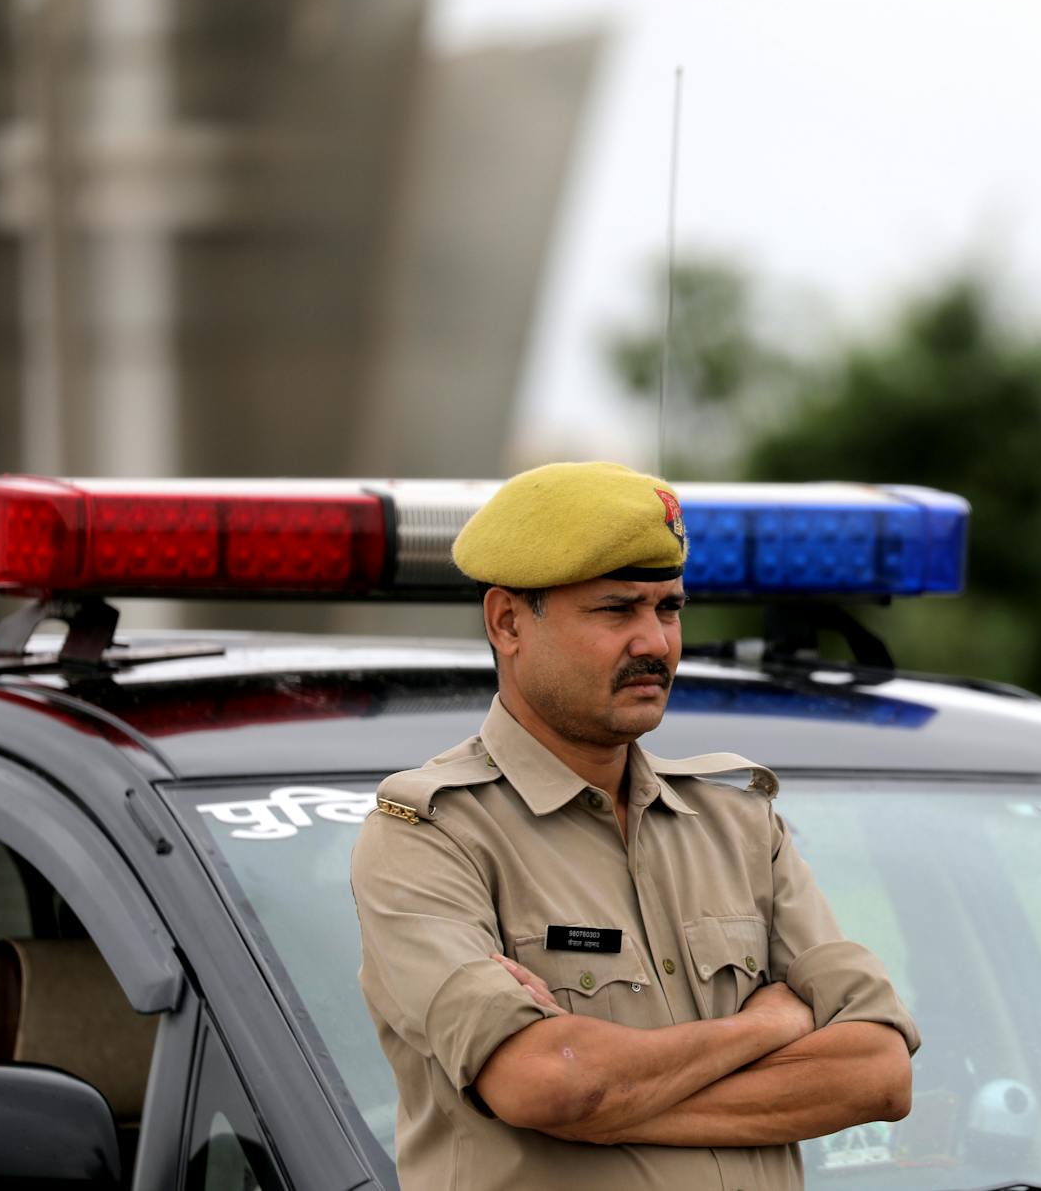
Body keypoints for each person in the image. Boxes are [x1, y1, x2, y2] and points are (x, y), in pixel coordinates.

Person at [351, 461, 919, 1191]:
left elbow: (877, 1076)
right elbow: (543, 1084)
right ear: (508, 621)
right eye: (617, 610)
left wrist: (604, 1097)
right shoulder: (431, 835)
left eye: (670, 608)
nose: (655, 641)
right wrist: (763, 1026)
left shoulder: (737, 822)